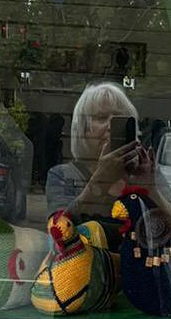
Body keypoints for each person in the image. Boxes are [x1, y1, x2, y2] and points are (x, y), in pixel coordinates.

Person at [45, 82, 154, 222]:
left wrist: (152, 189)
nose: (110, 126)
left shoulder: (143, 170)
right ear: (83, 129)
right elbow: (60, 231)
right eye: (101, 118)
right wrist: (101, 181)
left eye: (119, 119)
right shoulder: (63, 175)